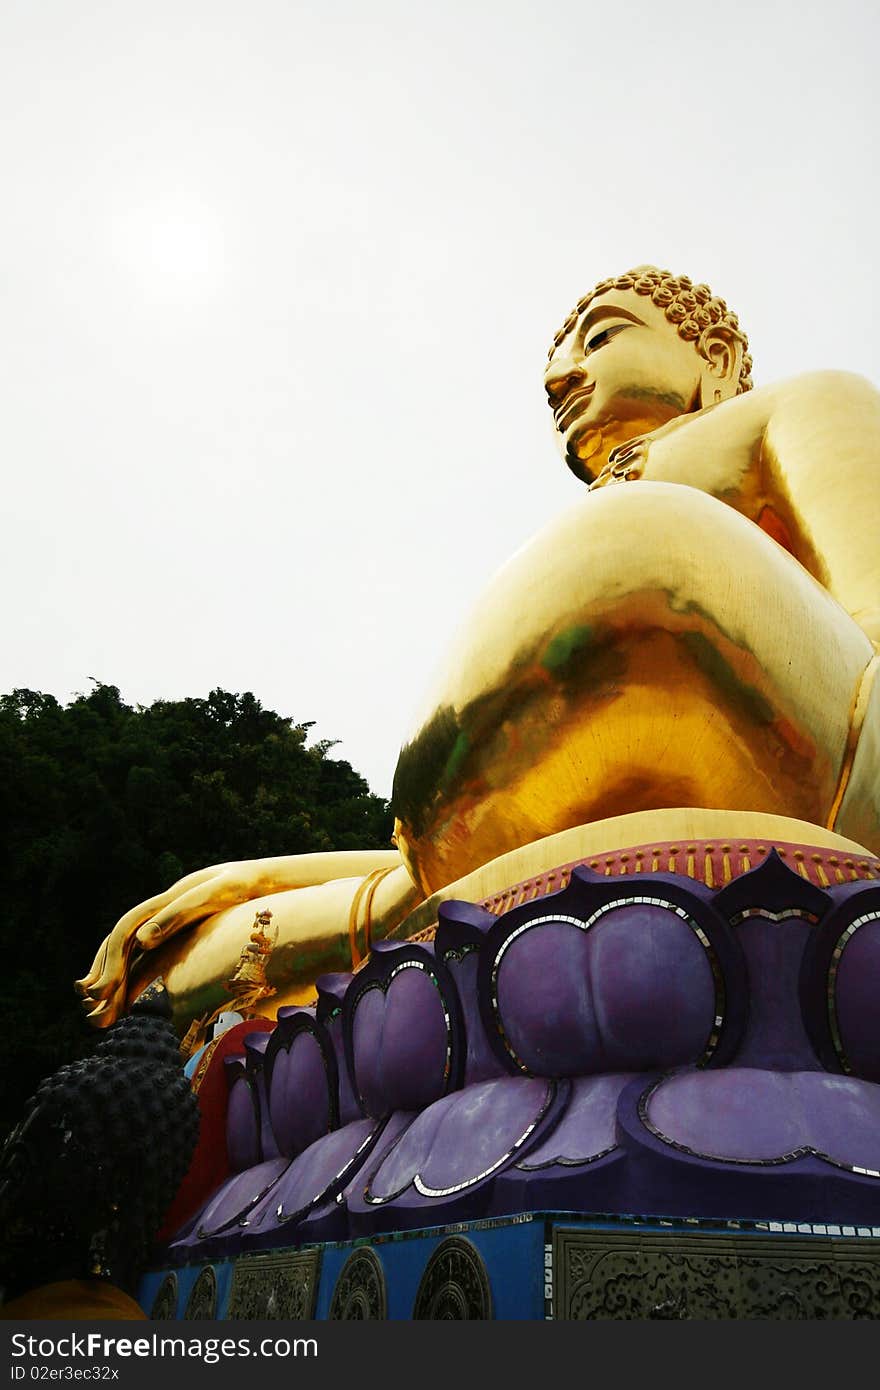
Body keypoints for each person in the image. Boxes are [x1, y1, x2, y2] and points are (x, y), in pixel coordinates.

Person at [77, 266, 880, 1037]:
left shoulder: (803, 406)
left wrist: (640, 561)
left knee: (646, 546)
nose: (563, 378)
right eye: (558, 365)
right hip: (486, 875)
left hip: (815, 775)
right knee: (185, 967)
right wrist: (266, 878)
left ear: (716, 359)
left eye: (600, 339)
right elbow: (474, 837)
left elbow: (869, 638)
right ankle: (409, 936)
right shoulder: (574, 546)